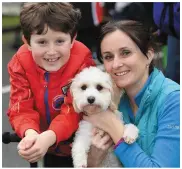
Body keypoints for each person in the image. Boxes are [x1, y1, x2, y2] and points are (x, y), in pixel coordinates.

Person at [7, 2, 95, 167]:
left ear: (73, 38)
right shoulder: (20, 62)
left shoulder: (82, 60)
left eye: (60, 41)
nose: (51, 51)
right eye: (42, 42)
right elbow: (20, 107)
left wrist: (50, 136)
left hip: (83, 145)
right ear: (27, 41)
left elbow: (76, 108)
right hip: (48, 146)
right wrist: (30, 133)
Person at [84, 20, 180, 167]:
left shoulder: (174, 100)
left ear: (148, 55)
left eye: (126, 53)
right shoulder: (108, 100)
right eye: (109, 57)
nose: (116, 64)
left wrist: (114, 127)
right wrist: (93, 160)